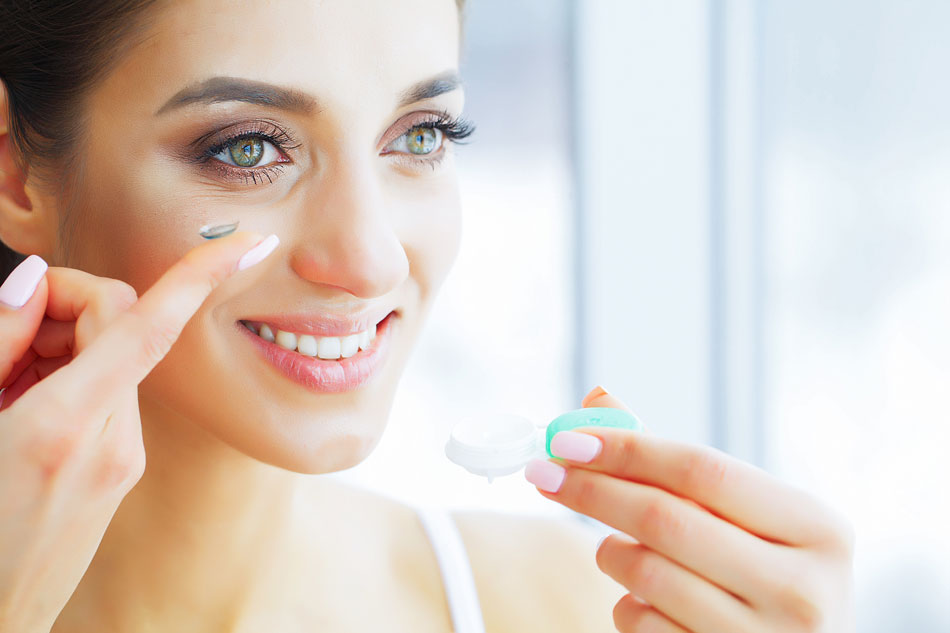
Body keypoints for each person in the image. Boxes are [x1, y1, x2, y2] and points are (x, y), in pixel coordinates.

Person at [0, 1, 855, 631]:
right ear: (14, 173)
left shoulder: (571, 610)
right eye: (248, 148)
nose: (371, 257)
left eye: (419, 136)